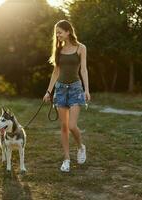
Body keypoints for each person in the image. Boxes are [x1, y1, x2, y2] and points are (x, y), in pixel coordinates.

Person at [43, 19, 91, 172]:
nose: (57, 35)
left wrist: (87, 90)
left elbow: (83, 70)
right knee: (64, 127)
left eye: (60, 32)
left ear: (68, 31)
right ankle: (66, 159)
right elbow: (56, 72)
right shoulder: (59, 50)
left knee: (71, 125)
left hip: (76, 89)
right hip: (61, 90)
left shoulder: (81, 48)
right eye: (56, 33)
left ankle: (80, 146)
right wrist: (48, 91)